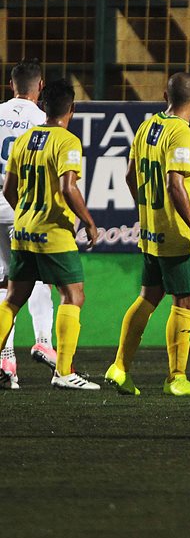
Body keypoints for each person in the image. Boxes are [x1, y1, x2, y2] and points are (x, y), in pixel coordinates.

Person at [104, 73, 190, 397]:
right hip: (175, 233)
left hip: (151, 232)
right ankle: (176, 377)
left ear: (165, 94)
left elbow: (129, 176)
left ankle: (119, 367)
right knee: (185, 299)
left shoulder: (147, 127)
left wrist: (146, 212)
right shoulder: (181, 134)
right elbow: (175, 183)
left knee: (148, 297)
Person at [0, 79, 98, 390]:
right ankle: (64, 372)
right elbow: (67, 187)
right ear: (72, 108)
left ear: (44, 106)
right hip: (53, 232)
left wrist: (27, 213)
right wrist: (88, 221)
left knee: (13, 298)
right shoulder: (67, 141)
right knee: (73, 295)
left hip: (23, 230)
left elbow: (8, 190)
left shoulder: (25, 139)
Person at [0, 60, 59, 387]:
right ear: (40, 86)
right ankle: (43, 342)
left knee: (2, 283)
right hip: (24, 206)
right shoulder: (43, 120)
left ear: (12, 85)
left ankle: (6, 360)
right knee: (38, 276)